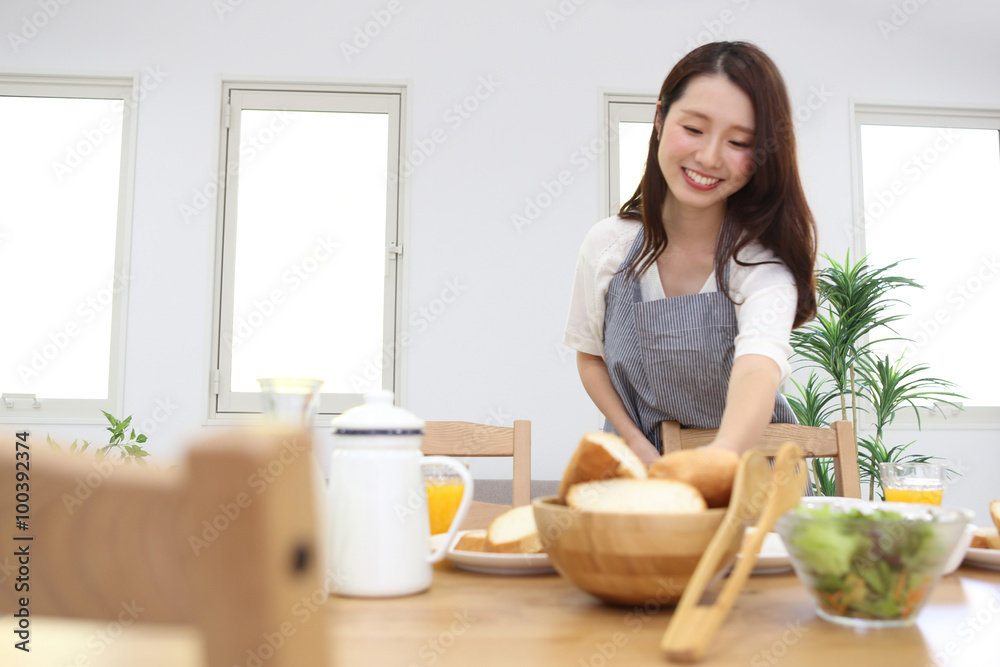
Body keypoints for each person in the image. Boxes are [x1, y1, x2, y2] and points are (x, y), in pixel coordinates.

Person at [563, 41, 817, 465]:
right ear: (660, 118)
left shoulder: (761, 262)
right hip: (640, 460)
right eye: (694, 129)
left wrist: (719, 457)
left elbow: (758, 367)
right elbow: (590, 357)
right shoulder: (608, 245)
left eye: (739, 142)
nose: (710, 157)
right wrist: (635, 442)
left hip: (750, 471)